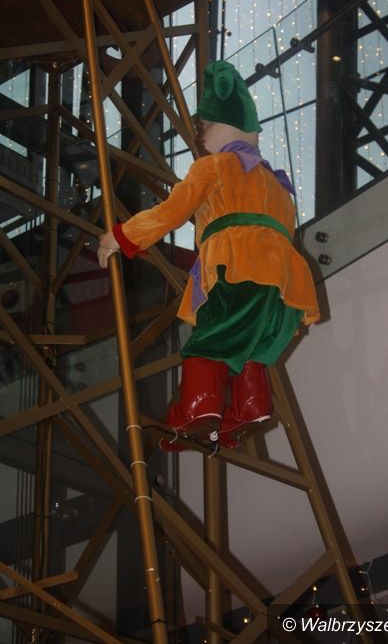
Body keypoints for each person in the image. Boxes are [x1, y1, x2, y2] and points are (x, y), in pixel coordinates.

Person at [98, 60, 320, 450]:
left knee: (209, 340)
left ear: (218, 129)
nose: (200, 140)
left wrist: (119, 237)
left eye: (203, 131)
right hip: (287, 286)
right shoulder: (277, 184)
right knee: (249, 347)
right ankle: (250, 406)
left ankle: (196, 408)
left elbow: (170, 212)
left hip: (237, 268)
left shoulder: (214, 167)